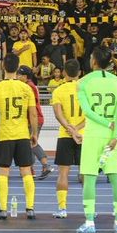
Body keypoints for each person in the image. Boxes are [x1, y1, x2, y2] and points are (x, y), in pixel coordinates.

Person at [76, 47, 117, 233]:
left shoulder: (82, 82)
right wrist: (115, 135)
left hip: (92, 135)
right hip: (111, 138)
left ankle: (89, 222)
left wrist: (106, 123)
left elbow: (88, 112)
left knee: (89, 178)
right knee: (116, 178)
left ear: (95, 61)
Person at [0, 53, 38, 220]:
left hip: (5, 135)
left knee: (3, 172)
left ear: (3, 66)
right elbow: (33, 114)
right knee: (26, 171)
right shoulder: (26, 88)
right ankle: (30, 208)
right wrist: (35, 133)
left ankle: (3, 209)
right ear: (18, 68)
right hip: (22, 134)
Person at [50, 59, 85, 219]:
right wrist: (77, 129)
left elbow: (58, 114)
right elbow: (92, 115)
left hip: (65, 135)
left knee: (63, 173)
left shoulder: (59, 90)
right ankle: (88, 209)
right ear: (79, 73)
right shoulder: (85, 89)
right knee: (86, 174)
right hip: (83, 135)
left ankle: (62, 208)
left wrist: (70, 129)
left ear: (64, 72)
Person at [17, 66, 53, 179]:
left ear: (25, 76)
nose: (17, 77)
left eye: (19, 75)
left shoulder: (29, 87)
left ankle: (45, 165)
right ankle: (30, 169)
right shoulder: (30, 85)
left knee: (31, 142)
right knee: (28, 145)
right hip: (34, 118)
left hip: (34, 119)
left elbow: (29, 106)